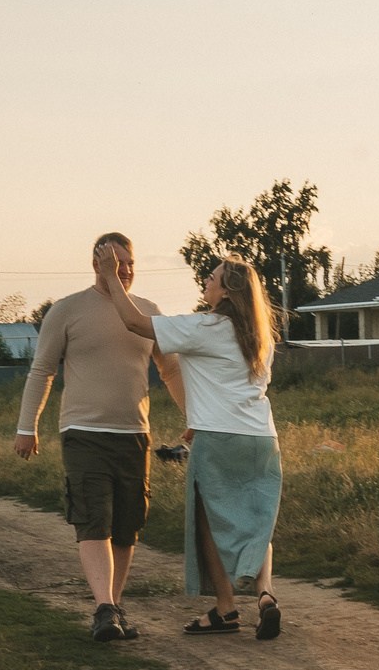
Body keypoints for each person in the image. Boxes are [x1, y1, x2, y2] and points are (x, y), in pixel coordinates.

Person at [92, 243, 284, 639]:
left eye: (211, 279)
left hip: (219, 438)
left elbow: (135, 322)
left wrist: (111, 275)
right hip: (263, 439)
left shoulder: (205, 327)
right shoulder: (261, 336)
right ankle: (265, 595)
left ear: (226, 292)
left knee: (208, 522)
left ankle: (226, 609)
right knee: (256, 524)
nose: (206, 283)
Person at [14, 232, 186, 643]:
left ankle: (113, 609)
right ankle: (103, 607)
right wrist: (26, 427)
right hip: (84, 433)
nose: (124, 271)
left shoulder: (148, 313)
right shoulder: (66, 310)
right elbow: (42, 371)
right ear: (96, 264)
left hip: (135, 434)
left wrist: (195, 419)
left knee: (127, 526)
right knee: (94, 519)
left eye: (130, 264)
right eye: (115, 263)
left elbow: (171, 370)